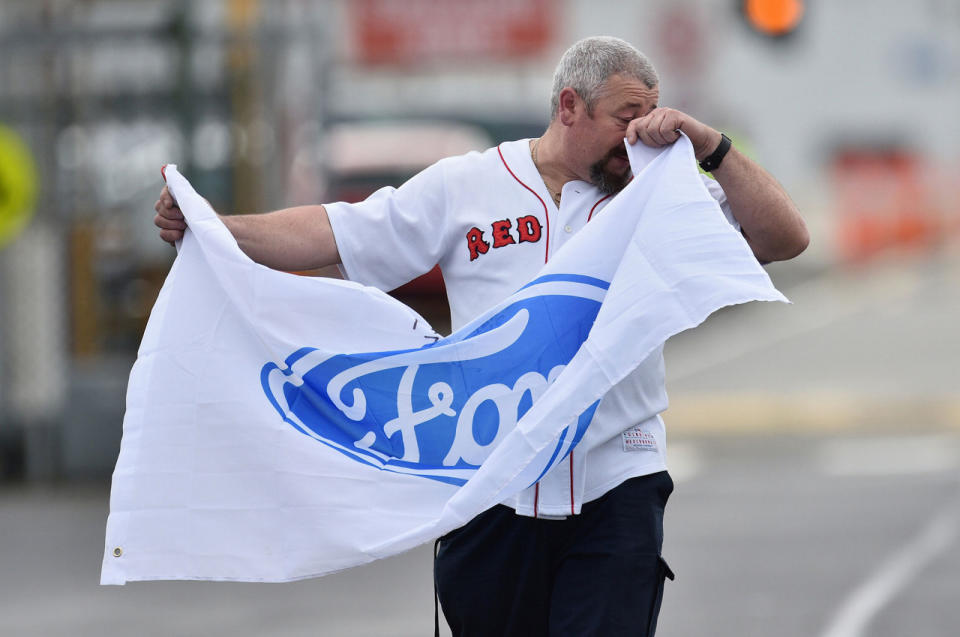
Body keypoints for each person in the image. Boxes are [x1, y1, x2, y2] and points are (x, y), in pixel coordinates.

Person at [155, 36, 807, 637]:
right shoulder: (468, 186)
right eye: (625, 117)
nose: (637, 135)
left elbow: (785, 238)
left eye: (650, 115)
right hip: (495, 488)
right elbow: (336, 232)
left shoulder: (653, 193)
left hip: (618, 486)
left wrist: (711, 147)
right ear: (569, 106)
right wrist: (212, 226)